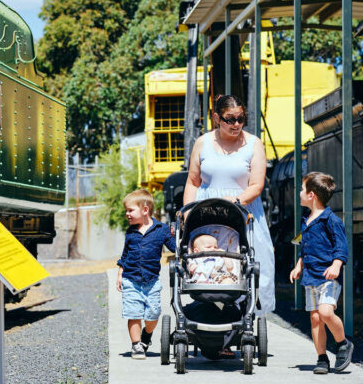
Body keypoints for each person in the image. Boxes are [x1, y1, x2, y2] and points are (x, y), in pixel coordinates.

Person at [183, 94, 275, 314]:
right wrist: (186, 214)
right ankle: (209, 312)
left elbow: (256, 185)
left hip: (242, 211)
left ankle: (244, 314)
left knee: (247, 265)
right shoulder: (203, 143)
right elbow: (193, 182)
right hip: (206, 213)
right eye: (230, 119)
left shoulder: (253, 144)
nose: (236, 124)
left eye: (240, 119)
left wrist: (234, 203)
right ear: (217, 118)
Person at [289, 171, 355, 374]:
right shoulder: (307, 220)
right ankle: (322, 358)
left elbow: (341, 247)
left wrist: (336, 265)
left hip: (328, 276)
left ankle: (343, 343)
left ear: (312, 195)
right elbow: (306, 247)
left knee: (326, 312)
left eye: (302, 189)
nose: (299, 192)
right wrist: (299, 265)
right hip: (310, 276)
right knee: (316, 319)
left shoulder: (331, 220)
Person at [116, 188, 175, 359]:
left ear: (145, 210)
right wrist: (120, 272)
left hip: (151, 281)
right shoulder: (131, 232)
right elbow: (125, 255)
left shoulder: (161, 229)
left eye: (130, 210)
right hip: (131, 279)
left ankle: (146, 336)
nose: (127, 214)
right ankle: (136, 346)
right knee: (133, 313)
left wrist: (185, 248)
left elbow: (174, 247)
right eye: (126, 210)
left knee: (153, 314)